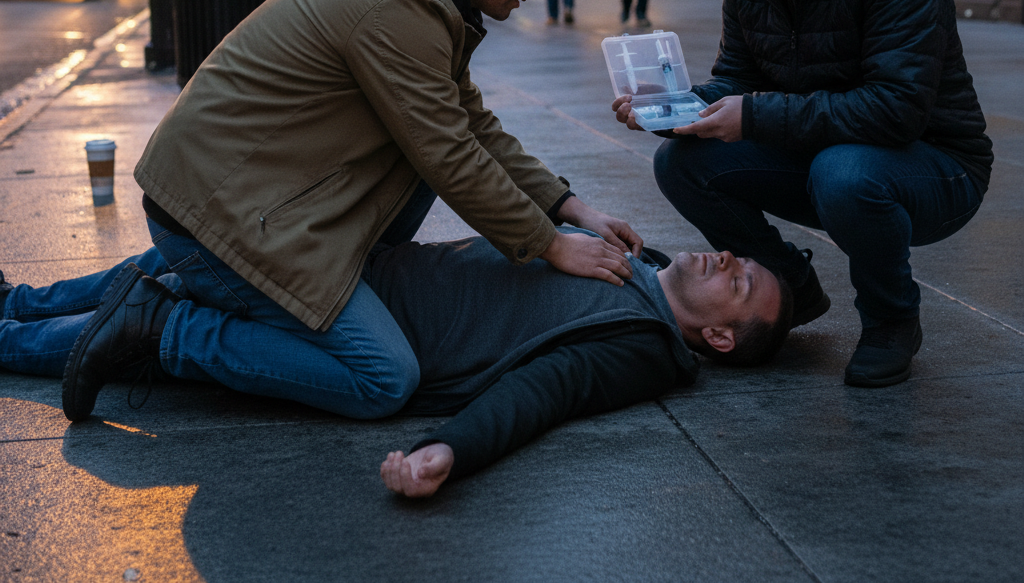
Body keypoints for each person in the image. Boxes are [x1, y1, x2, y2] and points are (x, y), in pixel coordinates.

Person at [49, 0, 645, 424]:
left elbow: (473, 127)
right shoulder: (402, 3)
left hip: (236, 198)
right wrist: (550, 245)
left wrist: (572, 209)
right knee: (383, 375)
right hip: (223, 209)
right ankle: (159, 328)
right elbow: (450, 155)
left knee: (209, 269)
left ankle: (29, 306)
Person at [614, 0, 992, 388]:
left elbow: (896, 110)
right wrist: (678, 107)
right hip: (825, 155)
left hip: (936, 166)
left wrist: (756, 115)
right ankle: (792, 286)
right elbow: (735, 80)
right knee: (682, 164)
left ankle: (891, 321)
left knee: (842, 173)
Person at [0, 233, 789, 499]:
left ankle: (22, 332)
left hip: (366, 335)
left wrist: (451, 448)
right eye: (740, 259)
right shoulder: (631, 254)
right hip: (375, 272)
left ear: (718, 339)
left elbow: (545, 391)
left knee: (167, 322)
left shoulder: (643, 347)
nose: (727, 258)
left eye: (739, 281)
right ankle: (20, 301)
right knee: (179, 262)